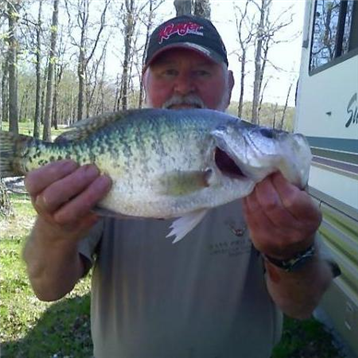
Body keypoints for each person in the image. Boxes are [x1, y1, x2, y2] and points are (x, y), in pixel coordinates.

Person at [23, 15, 339, 358]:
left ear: (230, 83)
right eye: (168, 72)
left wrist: (292, 253)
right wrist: (55, 230)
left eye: (201, 72)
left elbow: (304, 304)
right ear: (146, 81)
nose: (183, 86)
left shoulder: (271, 191)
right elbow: (46, 286)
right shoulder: (94, 179)